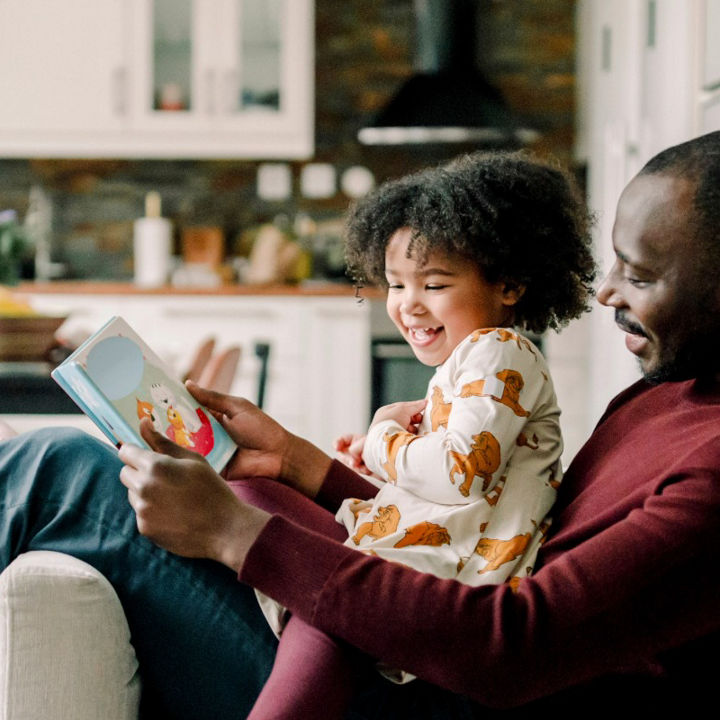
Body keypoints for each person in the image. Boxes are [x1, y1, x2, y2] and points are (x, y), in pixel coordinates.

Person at [1, 132, 720, 718]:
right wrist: (298, 465)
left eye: (642, 275)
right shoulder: (667, 393)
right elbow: (485, 535)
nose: (607, 293)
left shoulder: (710, 468)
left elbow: (507, 645)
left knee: (59, 471)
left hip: (415, 690)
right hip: (408, 643)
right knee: (218, 484)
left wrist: (232, 535)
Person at [246, 152, 594, 717]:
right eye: (395, 284)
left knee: (314, 613)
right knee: (259, 502)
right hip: (437, 553)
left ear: (508, 284)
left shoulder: (499, 351)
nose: (408, 304)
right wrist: (384, 458)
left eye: (433, 283)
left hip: (457, 577)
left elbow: (462, 471)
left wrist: (385, 436)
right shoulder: (471, 362)